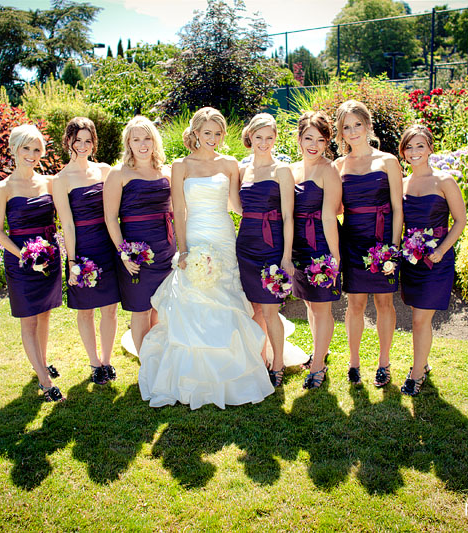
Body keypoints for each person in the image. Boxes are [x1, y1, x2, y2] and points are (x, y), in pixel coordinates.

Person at [137, 107, 274, 409]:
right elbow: (179, 212)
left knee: (227, 299)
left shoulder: (230, 164)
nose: (212, 138)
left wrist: (267, 210)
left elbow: (238, 205)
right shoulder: (180, 166)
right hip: (195, 237)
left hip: (224, 237)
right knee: (194, 300)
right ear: (196, 133)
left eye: (218, 133)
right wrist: (183, 249)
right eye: (207, 132)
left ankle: (237, 369)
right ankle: (191, 375)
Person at [0, 124, 64, 402]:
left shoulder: (49, 182)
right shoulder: (3, 188)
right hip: (21, 263)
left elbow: (62, 217)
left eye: (37, 149)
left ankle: (41, 364)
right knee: (28, 320)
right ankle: (45, 382)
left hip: (49, 258)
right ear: (14, 150)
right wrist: (22, 253)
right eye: (26, 148)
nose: (32, 154)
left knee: (44, 314)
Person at [333, 100, 404, 388]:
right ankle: (353, 363)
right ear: (341, 132)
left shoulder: (387, 161)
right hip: (352, 239)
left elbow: (398, 208)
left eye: (357, 125)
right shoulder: (338, 165)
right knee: (355, 304)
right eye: (346, 127)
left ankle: (384, 363)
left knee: (384, 302)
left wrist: (393, 248)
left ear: (367, 125)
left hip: (381, 240)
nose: (352, 132)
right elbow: (335, 208)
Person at [52, 117, 120, 385]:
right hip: (83, 248)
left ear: (94, 143)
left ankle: (107, 360)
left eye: (87, 140)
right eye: (77, 140)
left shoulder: (105, 170)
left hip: (108, 244)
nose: (82, 145)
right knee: (86, 310)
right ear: (67, 141)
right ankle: (94, 363)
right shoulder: (61, 179)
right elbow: (66, 223)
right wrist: (71, 261)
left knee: (111, 309)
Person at [399, 124, 466, 395]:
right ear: (403, 151)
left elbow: (460, 221)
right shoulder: (402, 183)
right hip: (411, 262)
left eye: (420, 146)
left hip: (436, 263)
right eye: (409, 147)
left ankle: (416, 374)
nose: (414, 152)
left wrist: (441, 250)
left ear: (430, 148)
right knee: (416, 317)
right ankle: (422, 363)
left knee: (420, 321)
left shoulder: (444, 181)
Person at [104, 116, 176, 355]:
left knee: (159, 307)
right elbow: (110, 218)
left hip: (165, 248)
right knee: (141, 308)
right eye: (136, 139)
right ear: (129, 143)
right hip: (136, 253)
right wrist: (124, 253)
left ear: (154, 141)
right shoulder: (119, 174)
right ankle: (146, 363)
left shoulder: (165, 172)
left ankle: (157, 357)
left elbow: (177, 210)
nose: (142, 144)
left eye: (147, 138)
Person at [236, 113, 296, 387]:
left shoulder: (281, 170)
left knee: (271, 309)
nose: (264, 143)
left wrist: (286, 256)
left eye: (269, 138)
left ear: (275, 139)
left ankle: (278, 363)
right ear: (250, 137)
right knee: (255, 308)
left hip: (272, 246)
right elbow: (238, 207)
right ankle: (260, 360)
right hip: (246, 245)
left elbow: (288, 216)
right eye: (258, 137)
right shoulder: (241, 170)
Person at [289, 111, 342, 390]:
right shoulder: (293, 170)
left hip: (321, 245)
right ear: (299, 139)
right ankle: (318, 352)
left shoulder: (328, 170)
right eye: (308, 138)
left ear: (326, 144)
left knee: (322, 308)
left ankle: (319, 366)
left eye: (320, 140)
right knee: (309, 303)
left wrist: (334, 258)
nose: (313, 144)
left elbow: (328, 217)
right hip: (299, 245)